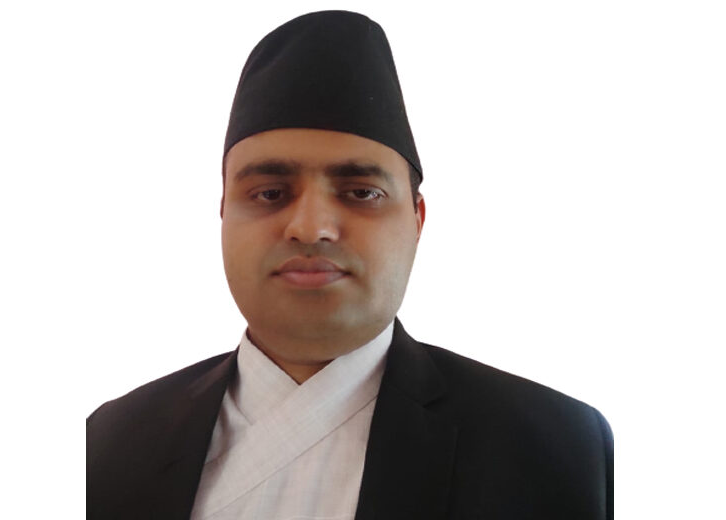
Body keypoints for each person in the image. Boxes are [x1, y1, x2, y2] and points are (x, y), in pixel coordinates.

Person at [87, 10, 613, 520]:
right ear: (224, 214)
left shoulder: (556, 447)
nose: (310, 227)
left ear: (416, 219)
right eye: (269, 193)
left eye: (361, 192)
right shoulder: (108, 442)